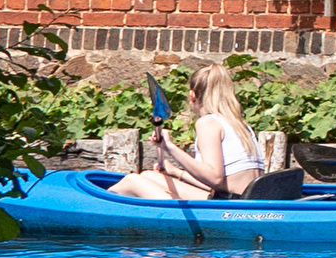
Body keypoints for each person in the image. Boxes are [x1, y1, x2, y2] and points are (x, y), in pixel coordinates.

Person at [112, 60, 285, 200]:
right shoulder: (240, 125)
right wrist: (176, 172)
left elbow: (214, 178)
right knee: (151, 176)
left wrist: (169, 147)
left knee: (131, 181)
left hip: (228, 206)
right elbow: (223, 183)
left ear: (192, 96)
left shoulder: (208, 123)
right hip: (239, 199)